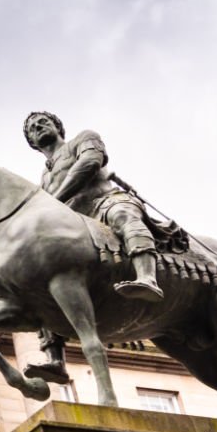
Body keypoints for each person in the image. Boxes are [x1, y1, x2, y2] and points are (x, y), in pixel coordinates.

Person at [23, 110, 162, 300]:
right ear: (32, 142)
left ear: (57, 127)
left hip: (104, 202)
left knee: (122, 215)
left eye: (43, 122)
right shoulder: (44, 177)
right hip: (78, 221)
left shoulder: (84, 138)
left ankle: (147, 277)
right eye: (32, 128)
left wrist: (54, 201)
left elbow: (90, 162)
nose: (38, 126)